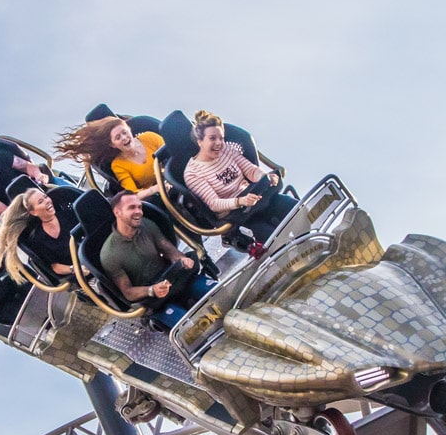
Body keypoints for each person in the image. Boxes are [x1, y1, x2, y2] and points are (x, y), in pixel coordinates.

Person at [100, 192, 215, 327]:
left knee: (217, 293)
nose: (138, 212)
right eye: (132, 208)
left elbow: (167, 249)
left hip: (175, 279)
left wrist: (181, 259)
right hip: (155, 299)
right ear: (117, 212)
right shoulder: (109, 254)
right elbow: (128, 292)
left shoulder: (147, 225)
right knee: (190, 327)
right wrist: (151, 290)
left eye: (139, 207)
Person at [182, 110, 296, 243]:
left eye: (221, 138)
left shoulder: (225, 149)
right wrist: (240, 201)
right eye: (212, 139)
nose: (219, 143)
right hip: (239, 215)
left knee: (295, 208)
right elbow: (214, 203)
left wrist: (265, 177)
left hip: (258, 197)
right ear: (200, 141)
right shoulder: (192, 173)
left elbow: (250, 170)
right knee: (273, 239)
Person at [56, 116, 163, 199]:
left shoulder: (150, 137)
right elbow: (133, 194)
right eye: (118, 137)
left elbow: (172, 153)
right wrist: (155, 189)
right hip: (157, 193)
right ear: (113, 145)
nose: (124, 138)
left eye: (124, 132)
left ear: (129, 129)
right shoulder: (118, 165)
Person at [0, 187, 79, 283]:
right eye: (41, 202)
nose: (47, 201)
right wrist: (74, 269)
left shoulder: (67, 215)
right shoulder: (38, 238)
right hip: (77, 271)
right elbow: (55, 267)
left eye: (46, 197)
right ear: (33, 212)